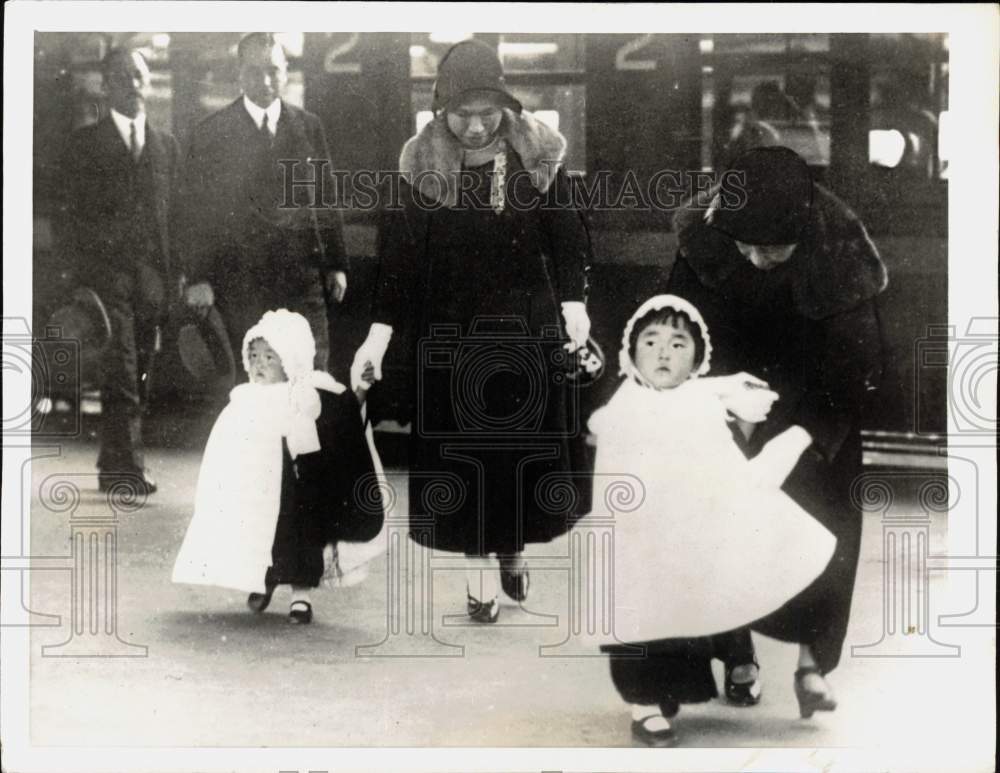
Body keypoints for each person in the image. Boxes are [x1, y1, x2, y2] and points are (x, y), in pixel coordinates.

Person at [350, 40, 592, 623]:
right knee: (463, 458)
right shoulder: (420, 161)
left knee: (513, 456)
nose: (478, 126)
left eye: (489, 113)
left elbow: (567, 236)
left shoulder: (540, 153)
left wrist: (574, 305)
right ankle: (478, 568)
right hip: (450, 331)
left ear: (506, 106)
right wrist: (377, 337)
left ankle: (510, 549)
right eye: (464, 114)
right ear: (442, 109)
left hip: (524, 327)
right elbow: (399, 260)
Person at [666, 146, 888, 719]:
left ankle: (813, 664)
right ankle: (738, 653)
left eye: (772, 248)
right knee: (722, 526)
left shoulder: (841, 251)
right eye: (745, 245)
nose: (756, 258)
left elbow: (857, 365)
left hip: (817, 398)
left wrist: (800, 437)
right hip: (729, 389)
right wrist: (714, 399)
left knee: (827, 522)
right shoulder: (706, 236)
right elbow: (676, 327)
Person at [574, 294, 836, 747]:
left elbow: (724, 466)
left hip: (685, 538)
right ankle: (643, 704)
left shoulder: (702, 406)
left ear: (697, 359)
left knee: (685, 618)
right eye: (650, 341)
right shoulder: (625, 405)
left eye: (678, 344)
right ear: (631, 352)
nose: (662, 352)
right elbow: (613, 447)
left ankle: (668, 692)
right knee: (639, 620)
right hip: (637, 541)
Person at [172, 309, 384, 624]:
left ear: (289, 361)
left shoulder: (307, 395)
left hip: (296, 491)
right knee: (261, 539)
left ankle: (301, 597)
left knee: (301, 540)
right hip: (257, 491)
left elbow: (344, 419)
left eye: (269, 358)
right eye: (253, 356)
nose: (258, 364)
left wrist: (361, 389)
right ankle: (264, 581)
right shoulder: (244, 398)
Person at [176, 32, 348, 373]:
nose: (266, 81)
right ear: (239, 74)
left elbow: (325, 198)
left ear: (286, 72)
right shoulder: (211, 134)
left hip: (302, 280)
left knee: (310, 377)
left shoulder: (308, 127)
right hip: (241, 284)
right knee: (254, 384)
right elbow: (193, 213)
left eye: (274, 71)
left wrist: (337, 264)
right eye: (255, 72)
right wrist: (198, 276)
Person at [60, 47, 181, 495]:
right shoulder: (84, 145)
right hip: (105, 279)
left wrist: (177, 275)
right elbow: (70, 220)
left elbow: (176, 217)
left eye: (139, 75)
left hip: (153, 280)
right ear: (106, 86)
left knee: (140, 369)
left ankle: (113, 460)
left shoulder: (166, 146)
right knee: (123, 369)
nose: (133, 83)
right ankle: (128, 468)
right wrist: (78, 280)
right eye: (123, 76)